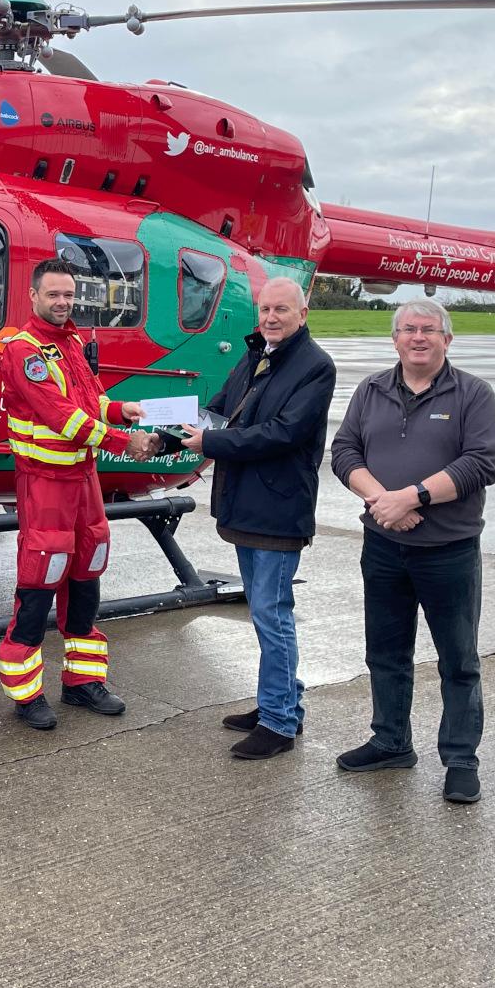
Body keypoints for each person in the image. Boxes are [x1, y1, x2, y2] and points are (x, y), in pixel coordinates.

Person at [329, 299, 495, 805]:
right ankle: (391, 741)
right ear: (395, 339)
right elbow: (344, 451)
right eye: (408, 329)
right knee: (385, 652)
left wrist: (413, 497)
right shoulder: (371, 390)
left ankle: (461, 759)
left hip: (448, 550)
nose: (418, 337)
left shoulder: (473, 393)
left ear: (447, 339)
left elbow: (483, 462)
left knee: (458, 658)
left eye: (429, 329)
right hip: (383, 545)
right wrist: (381, 501)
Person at [0, 258, 157, 729]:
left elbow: (91, 402)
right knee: (41, 577)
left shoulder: (70, 343)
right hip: (45, 484)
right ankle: (26, 695)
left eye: (69, 295)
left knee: (88, 570)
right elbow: (62, 417)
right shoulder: (24, 351)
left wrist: (121, 409)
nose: (63, 302)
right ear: (34, 296)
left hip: (83, 480)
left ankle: (82, 682)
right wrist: (124, 442)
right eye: (54, 294)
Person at [181, 276, 336, 761]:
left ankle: (279, 722)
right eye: (265, 309)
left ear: (302, 314)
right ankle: (280, 700)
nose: (270, 318)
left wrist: (210, 442)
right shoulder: (258, 355)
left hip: (277, 509)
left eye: (281, 310)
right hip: (247, 504)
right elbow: (221, 411)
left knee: (272, 615)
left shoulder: (315, 366)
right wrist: (171, 430)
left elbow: (281, 433)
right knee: (264, 613)